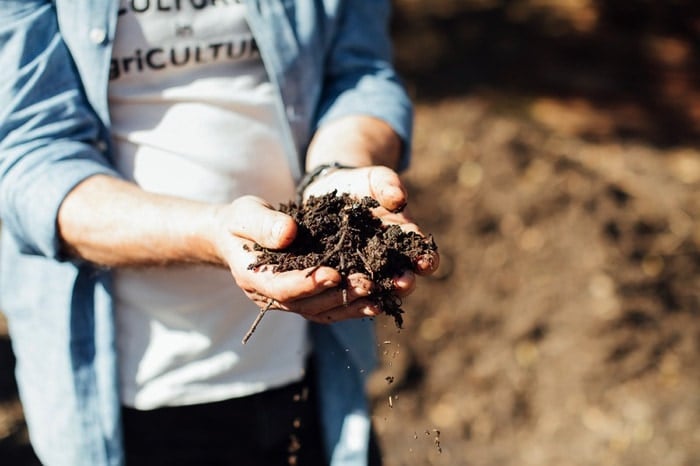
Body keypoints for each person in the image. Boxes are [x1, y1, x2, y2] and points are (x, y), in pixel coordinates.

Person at [0, 1, 438, 465]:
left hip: (314, 366)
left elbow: (359, 74)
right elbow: (32, 160)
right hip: (128, 392)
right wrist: (213, 234)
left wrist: (337, 170)